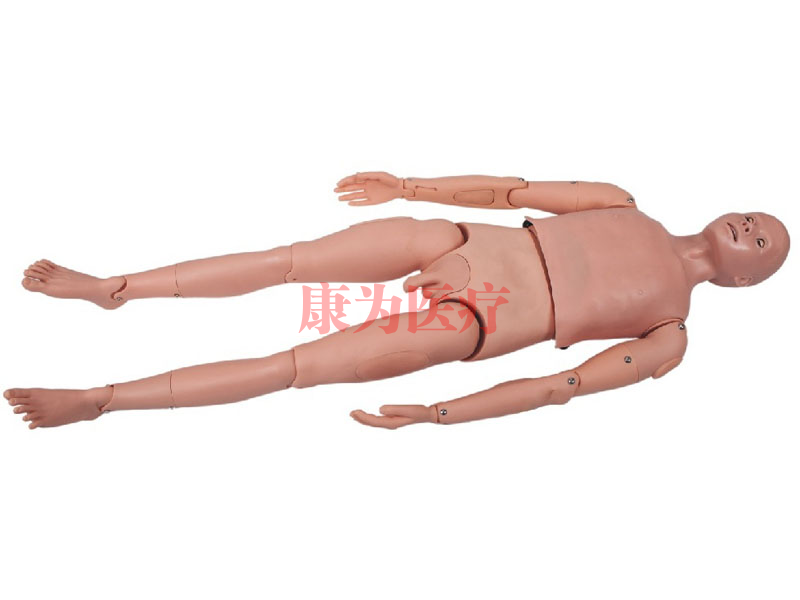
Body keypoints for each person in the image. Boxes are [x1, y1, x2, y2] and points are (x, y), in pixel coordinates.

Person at [4, 172, 790, 429]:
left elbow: (561, 386)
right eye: (756, 218)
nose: (750, 228)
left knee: (289, 367)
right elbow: (511, 191)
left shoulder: (669, 334)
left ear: (743, 282)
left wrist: (441, 414)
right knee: (288, 261)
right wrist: (407, 185)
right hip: (455, 240)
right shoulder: (622, 201)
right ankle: (115, 289)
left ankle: (102, 399)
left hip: (470, 323)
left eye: (761, 244)